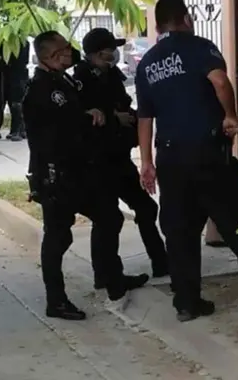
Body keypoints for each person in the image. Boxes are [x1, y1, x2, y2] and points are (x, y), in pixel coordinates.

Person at [135, 0, 238, 322]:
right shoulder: (199, 47)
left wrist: (146, 162)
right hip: (207, 152)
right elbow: (220, 81)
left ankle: (186, 303)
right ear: (186, 18)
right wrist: (230, 115)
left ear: (157, 25)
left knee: (179, 231)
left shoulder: (147, 63)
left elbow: (145, 118)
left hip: (170, 158)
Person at [24, 31, 148, 321]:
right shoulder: (43, 88)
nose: (71, 53)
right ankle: (56, 300)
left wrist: (93, 112)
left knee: (110, 217)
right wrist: (93, 116)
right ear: (50, 56)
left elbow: (74, 112)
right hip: (56, 175)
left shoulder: (62, 80)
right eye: (64, 49)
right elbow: (65, 124)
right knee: (58, 237)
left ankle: (110, 278)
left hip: (78, 171)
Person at [74, 27, 170, 285]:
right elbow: (81, 118)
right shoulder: (81, 80)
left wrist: (133, 118)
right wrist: (114, 117)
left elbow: (124, 105)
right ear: (97, 53)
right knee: (108, 218)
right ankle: (106, 275)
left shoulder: (112, 76)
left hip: (118, 157)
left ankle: (161, 262)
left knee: (146, 208)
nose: (114, 55)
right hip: (98, 160)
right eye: (110, 50)